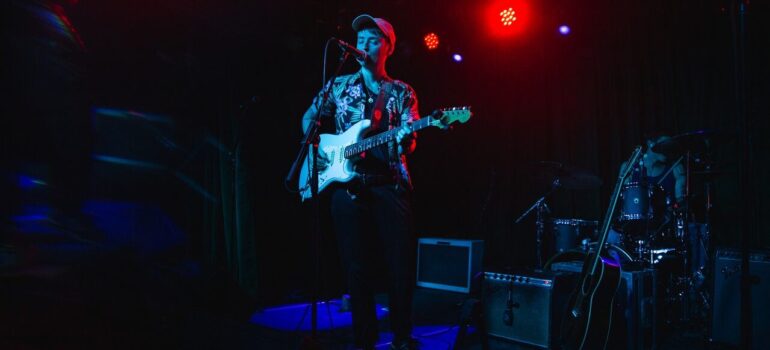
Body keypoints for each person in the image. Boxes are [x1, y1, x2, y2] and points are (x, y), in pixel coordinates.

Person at [300, 14, 419, 350]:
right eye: (362, 37)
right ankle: (364, 339)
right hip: (346, 187)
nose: (365, 43)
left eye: (374, 38)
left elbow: (409, 141)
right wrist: (318, 149)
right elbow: (309, 118)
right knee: (356, 267)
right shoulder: (338, 85)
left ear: (388, 48)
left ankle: (401, 337)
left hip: (389, 184)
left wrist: (406, 137)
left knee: (399, 265)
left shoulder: (400, 91)